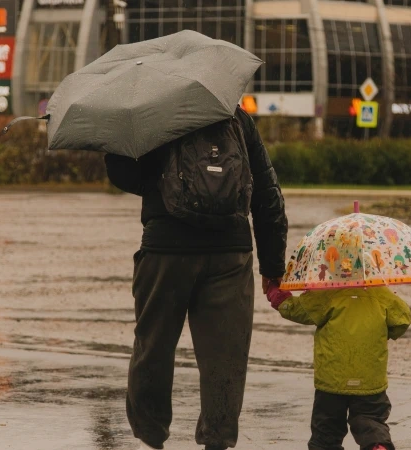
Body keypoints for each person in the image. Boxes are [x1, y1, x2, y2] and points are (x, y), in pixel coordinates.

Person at [104, 106, 288, 450]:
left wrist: (154, 178)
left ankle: (151, 437)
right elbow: (267, 192)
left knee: (153, 348)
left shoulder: (152, 113)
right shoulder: (235, 116)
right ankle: (217, 441)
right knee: (226, 356)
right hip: (230, 254)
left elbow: (121, 174)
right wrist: (272, 267)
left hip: (165, 251)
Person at [265, 283, 411, 450]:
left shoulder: (327, 292)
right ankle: (377, 445)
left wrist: (277, 294)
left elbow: (298, 310)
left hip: (332, 379)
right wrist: (383, 333)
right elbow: (403, 319)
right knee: (371, 419)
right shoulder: (380, 293)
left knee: (326, 431)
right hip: (370, 379)